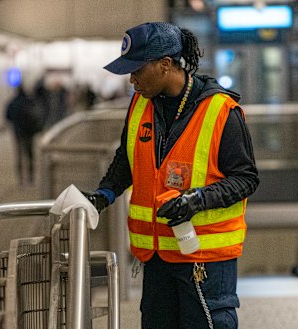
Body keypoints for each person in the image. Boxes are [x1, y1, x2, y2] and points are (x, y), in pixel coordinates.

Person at [82, 22, 259, 329]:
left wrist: (198, 199)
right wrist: (104, 194)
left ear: (165, 65)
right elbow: (127, 159)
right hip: (157, 258)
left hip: (204, 258)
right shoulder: (140, 104)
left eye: (137, 70)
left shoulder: (221, 111)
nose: (132, 79)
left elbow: (246, 178)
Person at [5, 85, 42, 185]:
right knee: (30, 155)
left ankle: (20, 179)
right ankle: (31, 177)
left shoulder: (12, 102)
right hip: (30, 132)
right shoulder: (29, 102)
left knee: (19, 155)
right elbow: (38, 114)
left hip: (18, 133)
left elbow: (7, 117)